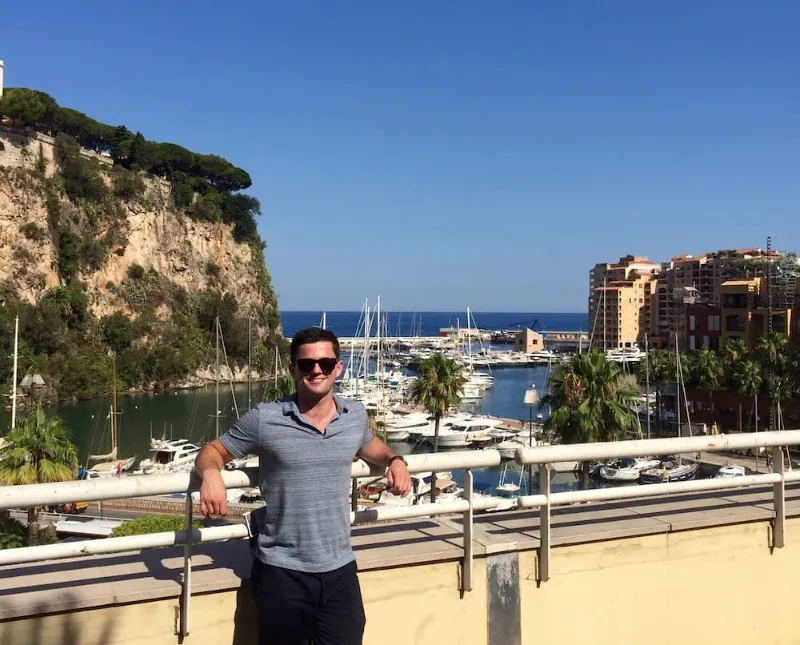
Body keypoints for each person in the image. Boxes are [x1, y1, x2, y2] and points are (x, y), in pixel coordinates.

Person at [195, 326, 412, 645]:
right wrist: (212, 474)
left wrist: (396, 460)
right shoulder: (265, 419)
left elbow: (370, 445)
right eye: (307, 363)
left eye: (325, 363)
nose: (316, 370)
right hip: (281, 570)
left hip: (340, 567)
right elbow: (212, 451)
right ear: (293, 369)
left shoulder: (354, 416)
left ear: (338, 368)